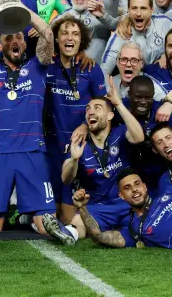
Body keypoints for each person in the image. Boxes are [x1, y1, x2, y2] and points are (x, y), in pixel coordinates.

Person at [0, 0, 74, 240]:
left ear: (25, 44)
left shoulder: (37, 68)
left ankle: (62, 229)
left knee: (43, 221)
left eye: (19, 37)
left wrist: (20, 6)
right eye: (8, 38)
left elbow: (48, 35)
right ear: (1, 45)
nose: (15, 40)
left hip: (32, 151)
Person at [45, 93, 142, 243]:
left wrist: (119, 105)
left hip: (127, 204)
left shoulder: (120, 133)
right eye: (88, 109)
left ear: (110, 115)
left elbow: (139, 137)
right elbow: (66, 178)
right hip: (98, 208)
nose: (91, 112)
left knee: (144, 225)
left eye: (97, 108)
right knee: (78, 221)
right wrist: (74, 159)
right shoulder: (79, 143)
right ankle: (68, 233)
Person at [44, 17, 108, 220]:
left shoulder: (91, 68)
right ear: (56, 38)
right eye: (64, 33)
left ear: (82, 41)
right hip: (52, 143)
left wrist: (85, 126)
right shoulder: (47, 66)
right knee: (50, 217)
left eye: (75, 34)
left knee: (68, 217)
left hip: (80, 145)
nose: (69, 37)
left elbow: (102, 106)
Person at [102, 0, 172, 74]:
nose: (138, 13)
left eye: (143, 8)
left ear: (152, 10)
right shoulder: (121, 34)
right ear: (128, 10)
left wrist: (170, 54)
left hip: (166, 79)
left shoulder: (166, 24)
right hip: (137, 83)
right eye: (134, 8)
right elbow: (105, 69)